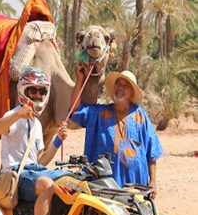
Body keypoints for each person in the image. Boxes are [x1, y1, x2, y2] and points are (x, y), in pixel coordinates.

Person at [0, 66, 68, 215]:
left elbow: (41, 161)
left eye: (42, 91)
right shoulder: (14, 116)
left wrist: (58, 141)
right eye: (34, 90)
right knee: (46, 184)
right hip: (15, 173)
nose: (39, 95)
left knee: (69, 179)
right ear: (24, 91)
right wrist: (18, 115)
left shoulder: (38, 125)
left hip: (34, 170)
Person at [70, 68, 163, 197]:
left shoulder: (141, 117)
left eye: (124, 85)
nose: (119, 87)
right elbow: (74, 111)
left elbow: (152, 153)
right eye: (118, 83)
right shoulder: (98, 113)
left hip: (136, 184)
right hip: (104, 186)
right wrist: (79, 80)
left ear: (131, 93)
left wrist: (153, 181)